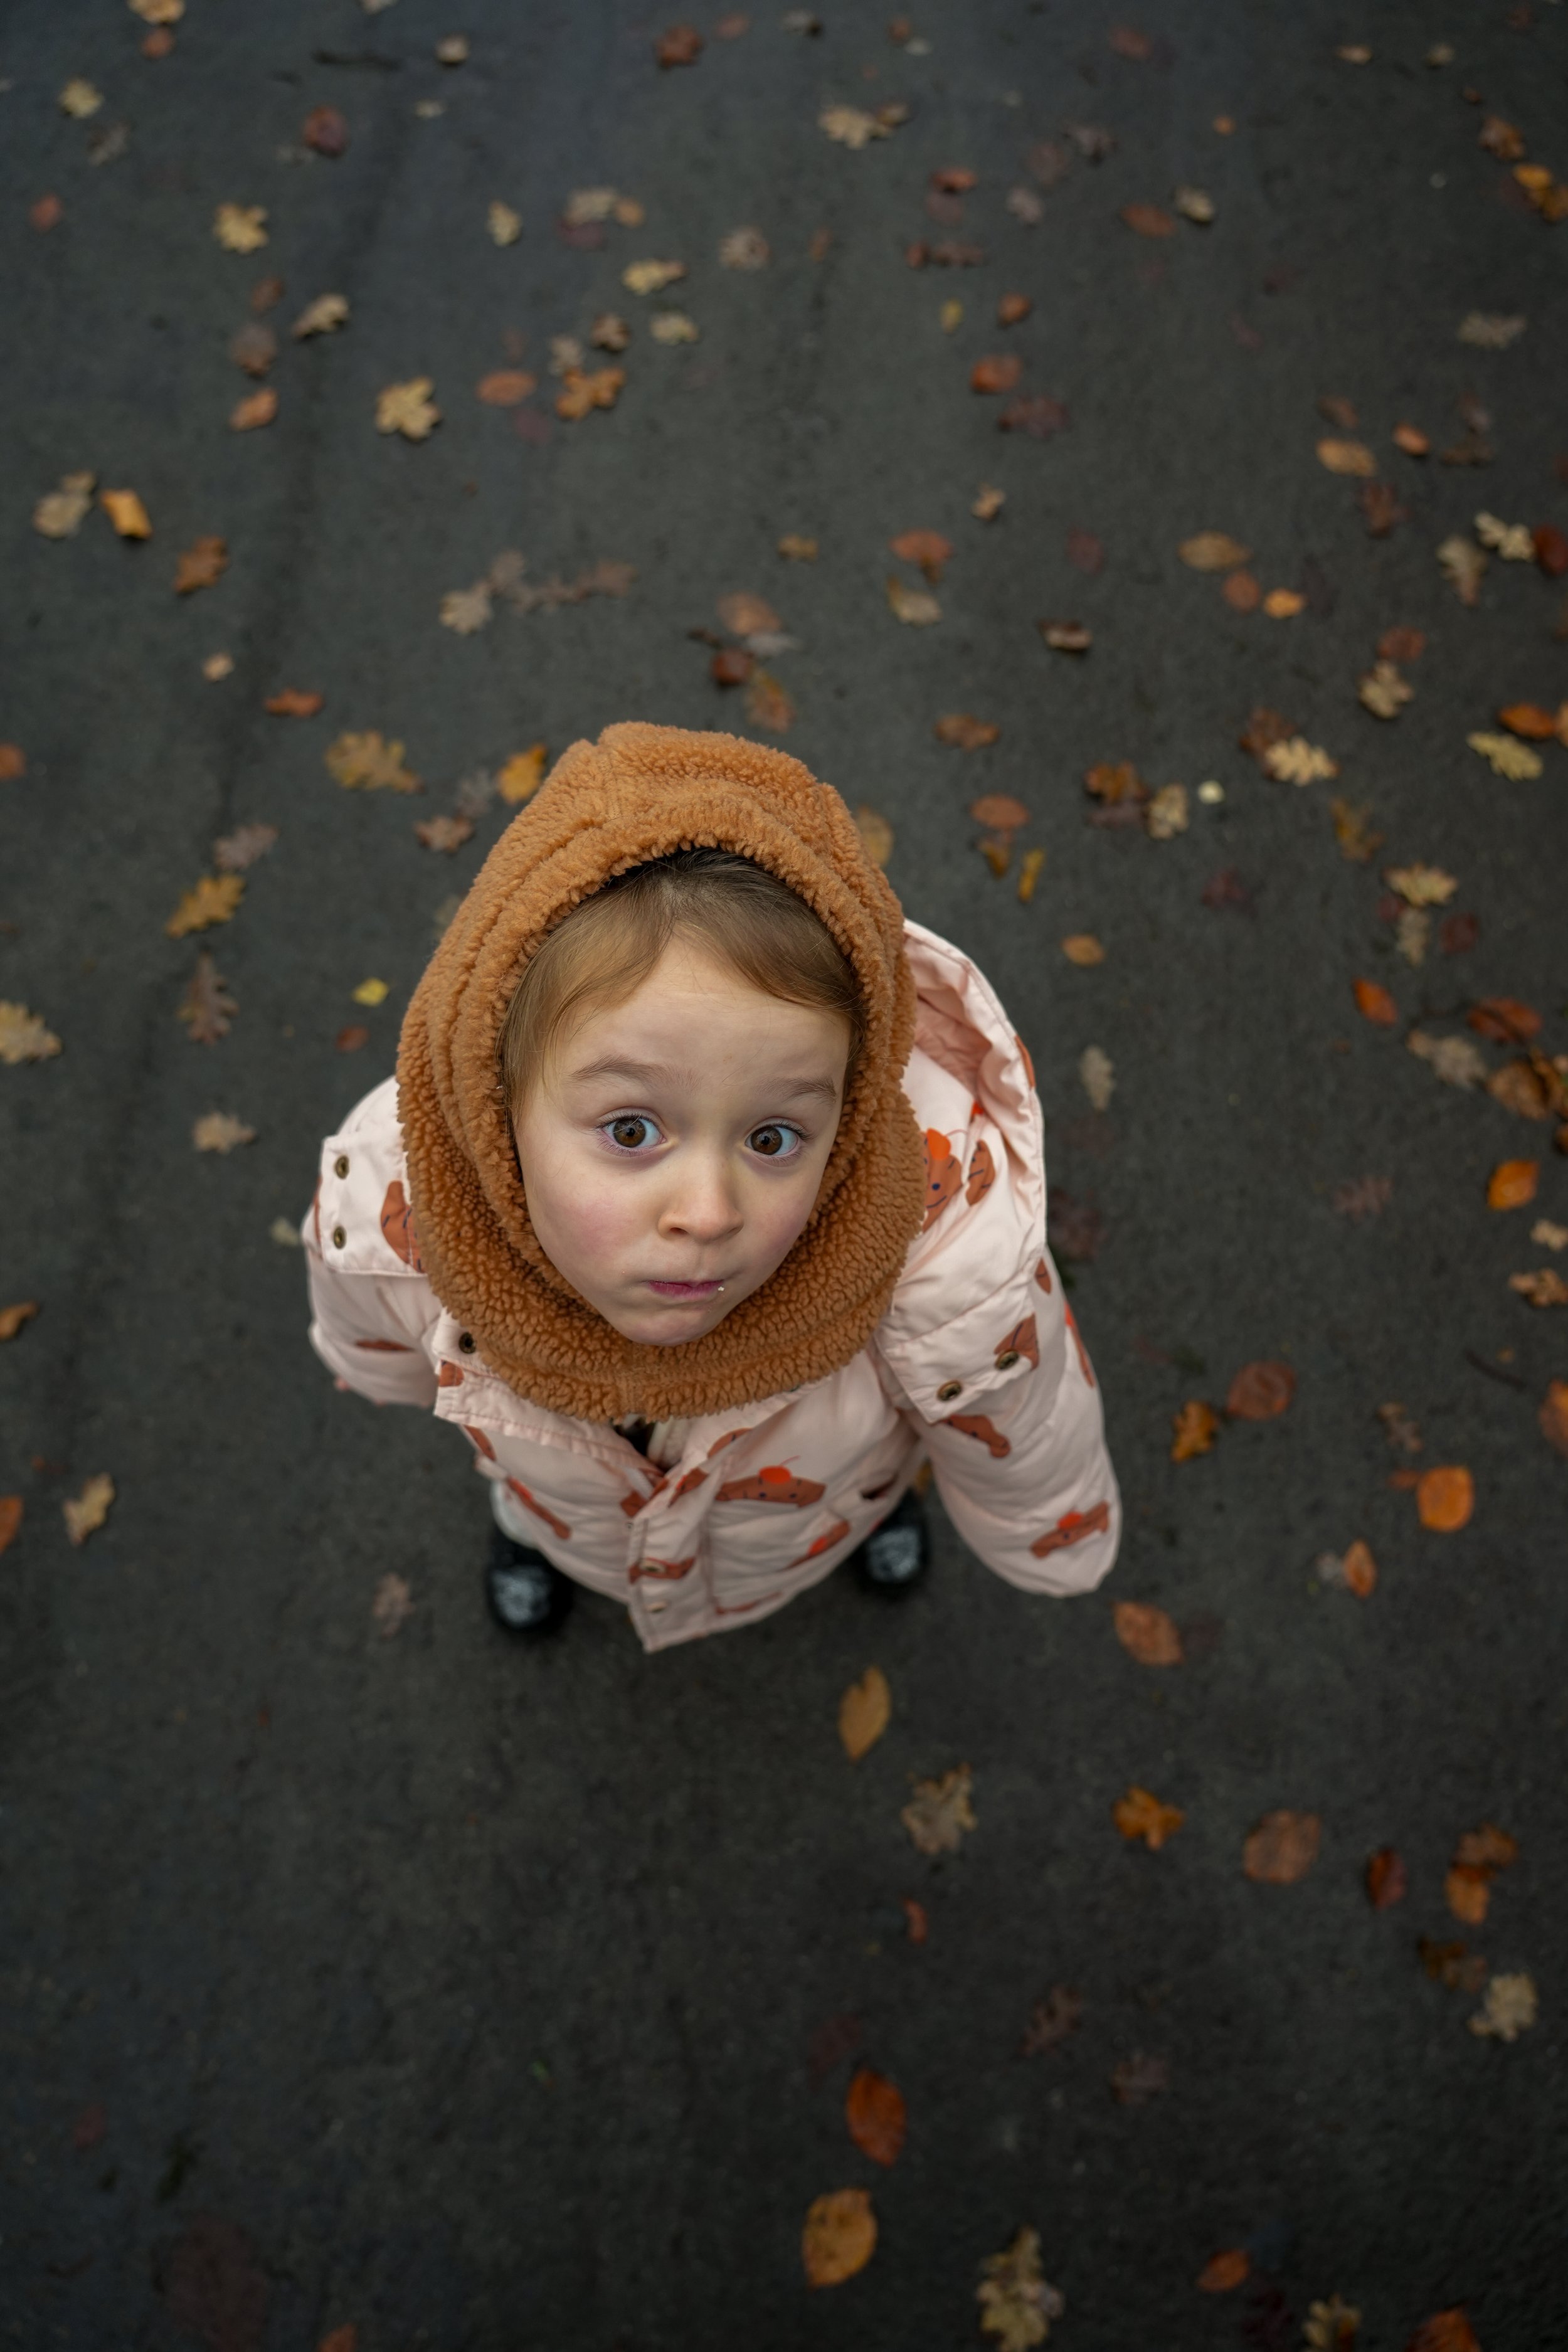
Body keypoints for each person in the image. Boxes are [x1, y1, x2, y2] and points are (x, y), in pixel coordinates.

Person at [302, 722, 1120, 1648]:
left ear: (846, 1116)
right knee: (541, 1500)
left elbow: (1026, 1420)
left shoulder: (936, 1245)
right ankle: (533, 1536)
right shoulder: (400, 1206)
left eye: (774, 1137)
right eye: (632, 1130)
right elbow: (375, 1331)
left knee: (869, 1481)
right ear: (497, 1104)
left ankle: (877, 1512)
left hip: (820, 1508)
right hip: (567, 1506)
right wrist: (382, 1371)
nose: (709, 1213)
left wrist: (1049, 1534)